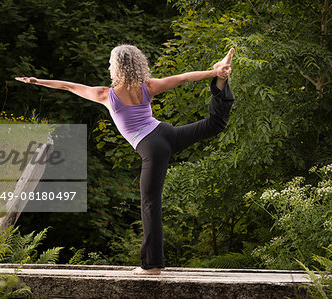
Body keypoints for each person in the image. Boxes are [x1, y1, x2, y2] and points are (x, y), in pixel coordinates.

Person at [16, 45, 235, 275]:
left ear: (119, 68)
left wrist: (38, 81)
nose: (109, 67)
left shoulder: (105, 95)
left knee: (150, 203)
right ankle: (221, 83)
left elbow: (69, 86)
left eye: (111, 64)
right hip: (167, 134)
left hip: (152, 146)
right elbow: (181, 78)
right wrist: (215, 73)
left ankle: (152, 266)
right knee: (214, 124)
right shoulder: (147, 87)